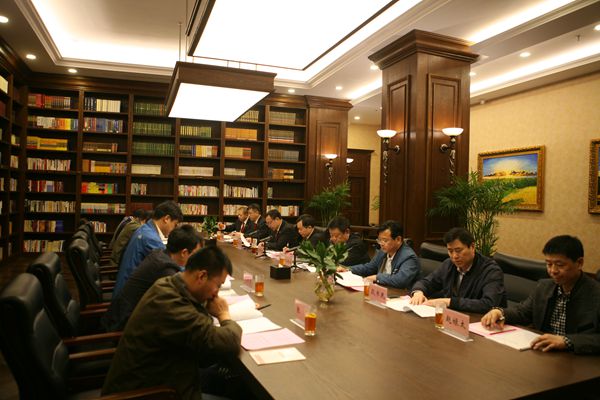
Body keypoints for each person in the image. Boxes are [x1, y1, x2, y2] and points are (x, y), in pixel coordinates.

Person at [101, 246, 241, 398]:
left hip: (164, 376)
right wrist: (223, 314)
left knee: (224, 376)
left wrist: (205, 302)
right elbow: (229, 341)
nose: (217, 293)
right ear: (201, 276)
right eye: (218, 285)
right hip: (149, 393)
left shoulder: (168, 285)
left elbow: (202, 346)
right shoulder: (171, 305)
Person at [481, 235, 600, 354]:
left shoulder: (595, 293)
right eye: (549, 264)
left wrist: (566, 341)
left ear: (579, 263)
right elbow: (522, 312)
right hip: (543, 352)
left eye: (560, 265)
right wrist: (500, 312)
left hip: (578, 357)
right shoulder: (544, 286)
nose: (553, 271)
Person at [102, 225, 202, 332]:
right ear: (184, 253)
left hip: (122, 317)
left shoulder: (159, 255)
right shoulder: (166, 270)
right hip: (124, 327)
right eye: (195, 254)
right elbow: (180, 308)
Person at [410, 227, 506, 313]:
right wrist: (418, 292)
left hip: (481, 322)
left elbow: (489, 304)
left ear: (472, 247)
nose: (454, 256)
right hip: (453, 319)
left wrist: (449, 302)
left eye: (458, 250)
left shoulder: (490, 271)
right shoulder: (449, 264)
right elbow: (426, 282)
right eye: (450, 251)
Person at [114, 200, 183, 296]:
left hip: (125, 289)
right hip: (128, 297)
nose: (174, 229)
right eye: (175, 225)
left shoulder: (145, 229)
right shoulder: (150, 238)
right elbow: (169, 267)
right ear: (166, 219)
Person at [338, 220, 420, 288]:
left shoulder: (408, 257)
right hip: (382, 291)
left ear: (398, 239)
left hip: (400, 295)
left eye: (385, 240)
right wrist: (348, 269)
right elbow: (369, 267)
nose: (381, 244)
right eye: (379, 240)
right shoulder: (383, 251)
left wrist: (377, 277)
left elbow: (400, 280)